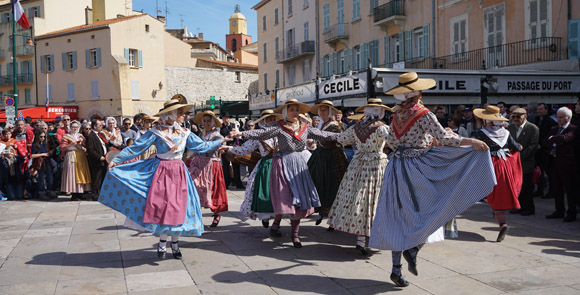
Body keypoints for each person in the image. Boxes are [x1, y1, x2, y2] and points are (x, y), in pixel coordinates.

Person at [368, 72, 495, 287]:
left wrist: (426, 139)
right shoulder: (423, 112)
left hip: (396, 167)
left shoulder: (397, 114)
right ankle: (414, 248)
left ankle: (396, 269)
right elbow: (444, 137)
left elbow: (392, 141)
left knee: (398, 217)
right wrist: (470, 140)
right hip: (417, 167)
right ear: (417, 91)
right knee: (434, 208)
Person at [100, 98, 228, 259]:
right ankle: (162, 242)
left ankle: (174, 243)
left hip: (179, 173)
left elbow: (201, 146)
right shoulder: (156, 132)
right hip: (162, 172)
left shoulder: (184, 133)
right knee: (163, 207)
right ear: (171, 114)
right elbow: (136, 148)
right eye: (181, 113)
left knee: (179, 207)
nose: (184, 116)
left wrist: (219, 141)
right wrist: (117, 160)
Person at [230, 99, 342, 248]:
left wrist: (344, 135)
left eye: (297, 109)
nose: (295, 112)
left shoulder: (305, 127)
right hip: (282, 164)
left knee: (300, 200)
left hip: (299, 165)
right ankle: (276, 223)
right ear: (286, 112)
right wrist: (242, 133)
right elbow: (262, 132)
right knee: (286, 199)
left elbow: (323, 135)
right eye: (292, 110)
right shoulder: (279, 126)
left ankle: (294, 234)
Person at [328, 98, 393, 255]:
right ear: (380, 111)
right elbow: (393, 142)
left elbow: (342, 140)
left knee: (358, 198)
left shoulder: (356, 126)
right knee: (375, 199)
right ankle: (378, 237)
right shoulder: (382, 128)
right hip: (376, 164)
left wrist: (358, 146)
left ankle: (361, 240)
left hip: (358, 163)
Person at [472, 106, 523, 242]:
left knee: (494, 197)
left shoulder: (479, 133)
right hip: (505, 165)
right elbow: (516, 147)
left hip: (489, 165)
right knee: (499, 195)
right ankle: (500, 219)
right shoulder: (505, 132)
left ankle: (502, 224)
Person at [228, 109, 282, 225]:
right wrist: (228, 148)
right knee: (264, 192)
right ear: (263, 122)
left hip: (279, 165)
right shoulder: (259, 135)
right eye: (269, 119)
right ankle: (265, 215)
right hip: (265, 166)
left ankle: (277, 219)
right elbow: (245, 149)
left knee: (280, 192)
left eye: (273, 119)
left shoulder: (280, 133)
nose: (272, 121)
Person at [307, 100, 348, 228]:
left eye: (324, 110)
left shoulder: (335, 125)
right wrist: (314, 144)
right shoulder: (322, 124)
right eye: (321, 110)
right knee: (318, 183)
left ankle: (333, 217)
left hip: (332, 158)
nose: (322, 112)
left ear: (330, 112)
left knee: (332, 185)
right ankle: (322, 211)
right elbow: (319, 141)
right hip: (320, 156)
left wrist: (318, 142)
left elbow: (336, 141)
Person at [188, 110, 229, 227]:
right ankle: (196, 214)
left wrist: (221, 148)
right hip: (199, 164)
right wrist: (192, 155)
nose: (206, 123)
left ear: (213, 122)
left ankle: (217, 213)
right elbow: (198, 148)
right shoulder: (201, 134)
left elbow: (217, 148)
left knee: (213, 190)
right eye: (204, 121)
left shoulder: (217, 136)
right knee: (195, 186)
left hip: (211, 165)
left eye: (208, 121)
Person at [543, 107, 578, 222]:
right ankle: (559, 210)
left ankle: (571, 212)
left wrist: (555, 139)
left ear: (568, 118)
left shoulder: (573, 129)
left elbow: (567, 138)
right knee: (556, 188)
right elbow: (546, 141)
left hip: (567, 164)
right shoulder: (554, 129)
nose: (558, 119)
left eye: (561, 117)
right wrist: (556, 139)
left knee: (569, 189)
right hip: (554, 162)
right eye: (557, 117)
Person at [507, 108, 540, 216]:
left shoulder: (532, 128)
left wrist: (518, 157)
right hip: (513, 163)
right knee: (516, 186)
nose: (515, 119)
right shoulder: (510, 127)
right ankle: (519, 206)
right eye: (514, 117)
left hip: (526, 163)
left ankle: (529, 208)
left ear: (525, 116)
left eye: (518, 117)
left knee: (527, 187)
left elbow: (533, 146)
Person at [60, 120, 91, 201]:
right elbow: (62, 148)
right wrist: (71, 144)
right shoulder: (66, 136)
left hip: (81, 156)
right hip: (71, 155)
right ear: (70, 127)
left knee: (81, 173)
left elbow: (85, 145)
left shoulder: (81, 136)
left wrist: (84, 147)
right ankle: (74, 193)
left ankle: (81, 192)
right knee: (72, 174)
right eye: (73, 127)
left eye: (76, 127)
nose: (75, 128)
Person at [534, 103, 558, 198]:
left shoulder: (551, 122)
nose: (539, 111)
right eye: (538, 109)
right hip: (538, 151)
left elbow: (551, 137)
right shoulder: (536, 120)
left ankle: (551, 192)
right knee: (539, 172)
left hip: (546, 151)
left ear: (546, 110)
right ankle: (540, 190)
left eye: (541, 109)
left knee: (549, 173)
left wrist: (544, 145)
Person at [86, 119, 108, 201]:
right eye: (100, 125)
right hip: (97, 161)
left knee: (102, 177)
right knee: (96, 178)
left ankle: (101, 194)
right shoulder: (90, 136)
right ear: (95, 126)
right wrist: (99, 157)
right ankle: (95, 195)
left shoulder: (100, 135)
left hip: (104, 160)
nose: (101, 127)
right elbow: (90, 150)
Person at [220, 112, 244, 189]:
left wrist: (234, 133)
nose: (226, 120)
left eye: (227, 118)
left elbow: (239, 137)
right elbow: (219, 138)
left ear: (229, 119)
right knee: (225, 167)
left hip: (233, 148)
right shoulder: (220, 127)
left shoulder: (234, 126)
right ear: (222, 119)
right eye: (224, 118)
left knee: (236, 166)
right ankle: (226, 183)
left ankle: (238, 183)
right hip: (225, 148)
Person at [30, 130, 57, 200]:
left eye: (44, 136)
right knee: (41, 178)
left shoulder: (45, 144)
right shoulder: (35, 145)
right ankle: (42, 193)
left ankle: (49, 191)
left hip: (47, 161)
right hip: (39, 162)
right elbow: (32, 155)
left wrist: (50, 152)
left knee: (50, 177)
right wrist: (42, 154)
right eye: (41, 136)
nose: (43, 138)